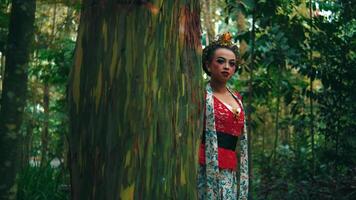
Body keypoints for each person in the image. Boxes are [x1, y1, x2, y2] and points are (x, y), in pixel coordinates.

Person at [197, 32, 249, 200]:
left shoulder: (237, 98)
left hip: (229, 168)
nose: (226, 66)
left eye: (231, 63)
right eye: (220, 61)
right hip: (203, 166)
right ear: (208, 64)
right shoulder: (200, 95)